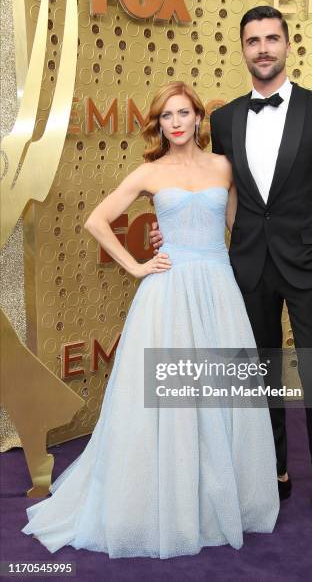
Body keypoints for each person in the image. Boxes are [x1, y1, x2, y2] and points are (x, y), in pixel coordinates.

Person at [21, 81, 279, 559]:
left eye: (183, 113)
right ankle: (168, 501)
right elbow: (97, 220)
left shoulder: (224, 166)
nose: (176, 123)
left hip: (219, 290)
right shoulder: (149, 172)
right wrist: (138, 265)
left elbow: (238, 229)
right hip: (168, 293)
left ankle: (215, 498)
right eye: (166, 116)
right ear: (159, 124)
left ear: (200, 118)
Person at [150, 7, 312, 533]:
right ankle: (274, 472)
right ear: (241, 50)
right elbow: (211, 188)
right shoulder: (222, 121)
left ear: (288, 45)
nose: (263, 48)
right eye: (253, 41)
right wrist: (171, 231)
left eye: (272, 39)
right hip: (246, 266)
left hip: (311, 264)